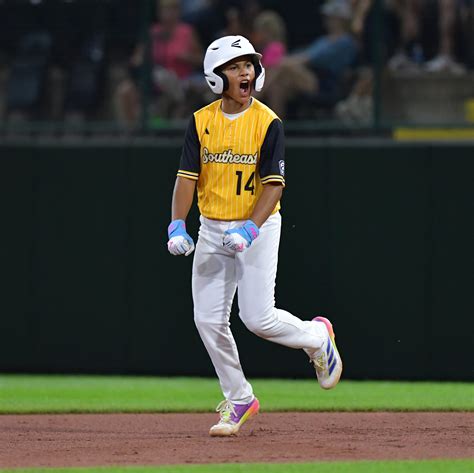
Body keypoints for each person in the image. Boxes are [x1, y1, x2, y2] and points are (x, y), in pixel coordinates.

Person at [166, 35, 343, 437]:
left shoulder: (268, 122)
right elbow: (186, 178)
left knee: (257, 318)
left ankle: (317, 336)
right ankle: (239, 397)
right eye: (235, 66)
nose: (245, 71)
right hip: (212, 227)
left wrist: (249, 228)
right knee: (207, 320)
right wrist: (177, 224)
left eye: (248, 64)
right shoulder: (200, 121)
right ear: (216, 77)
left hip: (257, 226)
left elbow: (274, 185)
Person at [262, 0, 358, 118]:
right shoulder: (323, 40)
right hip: (307, 76)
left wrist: (285, 62)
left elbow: (313, 58)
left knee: (283, 66)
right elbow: (303, 53)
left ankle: (253, 99)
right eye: (328, 17)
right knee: (277, 85)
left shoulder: (346, 41)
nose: (328, 21)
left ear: (341, 19)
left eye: (332, 17)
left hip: (325, 83)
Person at [115, 0, 203, 129]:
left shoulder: (187, 32)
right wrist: (141, 60)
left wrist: (186, 57)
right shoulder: (153, 32)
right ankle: (131, 133)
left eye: (172, 9)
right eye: (165, 10)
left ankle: (162, 124)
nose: (168, 13)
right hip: (152, 81)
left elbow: (201, 59)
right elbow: (137, 58)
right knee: (125, 90)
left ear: (178, 11)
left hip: (181, 82)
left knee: (167, 82)